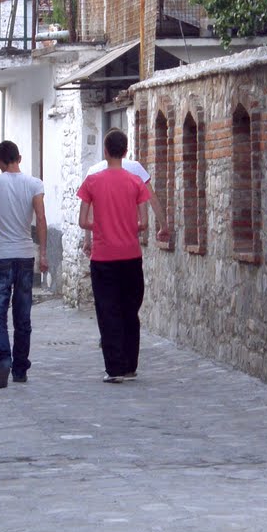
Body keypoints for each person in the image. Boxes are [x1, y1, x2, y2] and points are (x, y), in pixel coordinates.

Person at [77, 129, 149, 383]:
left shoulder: (92, 182)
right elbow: (144, 222)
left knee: (108, 311)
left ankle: (114, 368)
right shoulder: (135, 182)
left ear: (105, 151)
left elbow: (82, 220)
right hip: (131, 255)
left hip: (103, 257)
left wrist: (101, 225)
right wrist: (128, 225)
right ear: (126, 151)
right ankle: (130, 365)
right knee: (130, 310)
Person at [0, 141, 48, 389]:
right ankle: (20, 368)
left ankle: (2, 361)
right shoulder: (34, 184)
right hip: (24, 254)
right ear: (19, 157)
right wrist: (43, 254)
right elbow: (40, 218)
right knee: (23, 316)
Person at [82, 156, 169, 252]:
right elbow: (152, 197)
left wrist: (87, 240)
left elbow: (89, 209)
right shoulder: (135, 167)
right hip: (128, 242)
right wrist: (163, 226)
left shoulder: (93, 171)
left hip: (103, 243)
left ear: (106, 151)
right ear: (125, 150)